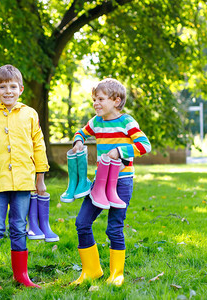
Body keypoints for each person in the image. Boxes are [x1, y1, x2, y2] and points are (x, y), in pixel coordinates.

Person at [0, 64, 49, 289]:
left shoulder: (30, 114)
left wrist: (40, 178)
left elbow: (39, 146)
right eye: (2, 87)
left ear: (21, 89)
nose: (8, 91)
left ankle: (21, 275)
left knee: (18, 226)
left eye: (13, 86)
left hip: (24, 180)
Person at [70, 78, 151, 286]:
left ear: (116, 101)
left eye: (100, 99)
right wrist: (79, 140)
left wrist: (119, 151)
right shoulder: (96, 122)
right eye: (94, 99)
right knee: (82, 222)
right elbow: (81, 131)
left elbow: (144, 145)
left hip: (122, 182)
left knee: (114, 227)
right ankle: (91, 270)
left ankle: (117, 274)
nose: (96, 103)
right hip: (100, 182)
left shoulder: (127, 122)